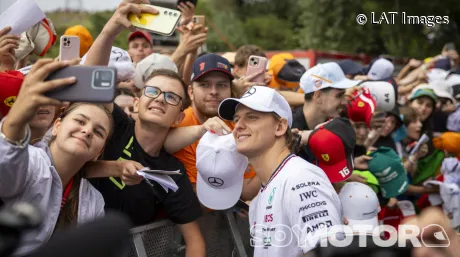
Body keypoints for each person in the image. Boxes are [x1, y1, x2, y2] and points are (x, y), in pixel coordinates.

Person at [83, 1, 206, 255]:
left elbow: (194, 241)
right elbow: (91, 81)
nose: (160, 98)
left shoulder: (173, 172)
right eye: (153, 91)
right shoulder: (116, 125)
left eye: (171, 97)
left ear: (178, 118)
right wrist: (112, 27)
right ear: (136, 102)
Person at [0, 59, 109, 256]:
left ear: (99, 152)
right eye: (79, 121)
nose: (87, 131)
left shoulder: (95, 202)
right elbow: (5, 174)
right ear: (57, 126)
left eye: (99, 132)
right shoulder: (30, 161)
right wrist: (16, 120)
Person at [218, 86, 343, 255]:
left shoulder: (301, 178)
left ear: (280, 127)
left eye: (252, 117)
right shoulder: (262, 194)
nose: (238, 126)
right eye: (236, 119)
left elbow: (329, 252)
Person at [172, 53, 260, 200]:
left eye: (222, 85)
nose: (213, 91)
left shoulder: (236, 124)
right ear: (191, 92)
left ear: (230, 90)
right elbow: (199, 195)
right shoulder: (181, 125)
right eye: (204, 84)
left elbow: (246, 187)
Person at [293, 62, 360, 162]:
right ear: (318, 96)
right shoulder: (289, 131)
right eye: (339, 95)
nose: (345, 101)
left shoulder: (330, 127)